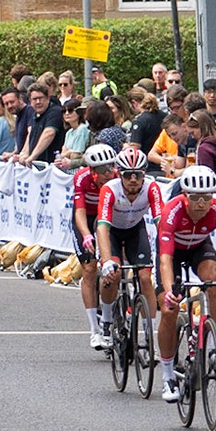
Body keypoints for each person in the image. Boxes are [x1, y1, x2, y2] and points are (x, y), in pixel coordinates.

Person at [154, 166, 216, 403]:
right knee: (169, 310)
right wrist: (168, 292)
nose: (201, 203)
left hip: (198, 248)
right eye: (195, 197)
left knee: (213, 277)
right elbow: (165, 259)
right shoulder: (172, 211)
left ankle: (214, 340)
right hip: (172, 253)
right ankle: (167, 376)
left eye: (207, 197)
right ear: (185, 195)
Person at [94, 147, 165, 340]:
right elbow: (102, 228)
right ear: (119, 174)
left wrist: (167, 254)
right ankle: (107, 321)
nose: (133, 179)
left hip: (135, 230)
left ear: (144, 174)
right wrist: (107, 261)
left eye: (138, 174)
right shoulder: (110, 189)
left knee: (144, 278)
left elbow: (162, 223)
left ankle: (150, 332)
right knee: (112, 275)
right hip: (112, 232)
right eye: (127, 175)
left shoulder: (152, 188)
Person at [71, 144, 121, 348]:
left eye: (110, 167)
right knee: (90, 268)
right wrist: (86, 236)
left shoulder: (119, 177)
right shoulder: (81, 178)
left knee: (119, 264)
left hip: (109, 218)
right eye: (101, 170)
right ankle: (94, 330)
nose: (108, 173)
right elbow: (79, 211)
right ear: (91, 170)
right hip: (88, 217)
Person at [18, 82, 63, 164]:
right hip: (36, 165)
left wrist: (33, 156)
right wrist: (24, 153)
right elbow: (30, 135)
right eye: (34, 99)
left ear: (48, 98)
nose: (38, 102)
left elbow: (49, 133)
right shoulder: (34, 114)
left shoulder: (55, 111)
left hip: (51, 166)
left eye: (41, 98)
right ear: (30, 101)